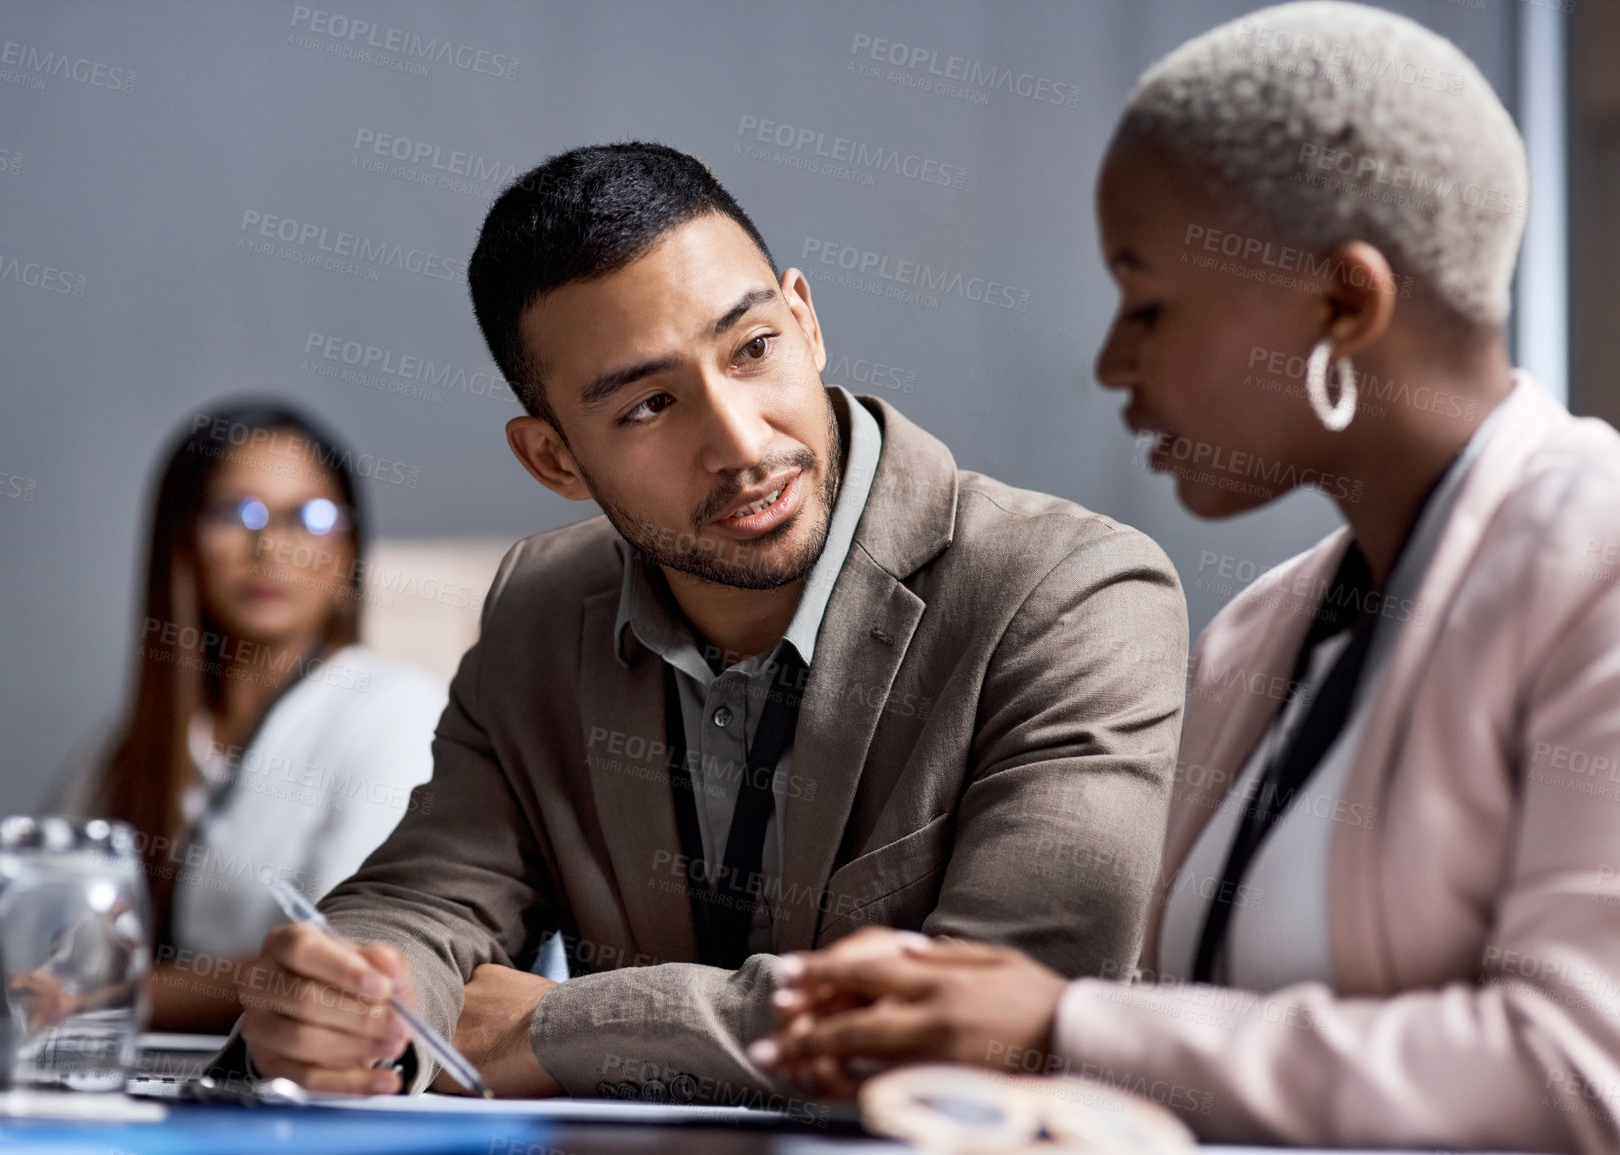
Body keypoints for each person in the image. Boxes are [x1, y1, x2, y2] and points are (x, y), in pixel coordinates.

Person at [752, 3, 1620, 1150]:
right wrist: (948, 1032)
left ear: (1344, 303)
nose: (1113, 363)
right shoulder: (1262, 631)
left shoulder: (1596, 556)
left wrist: (1064, 1027)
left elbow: (1579, 1074)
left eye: (1147, 302)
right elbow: (1210, 1061)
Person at [224, 142, 1190, 1105]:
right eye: (649, 405)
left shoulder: (1071, 592)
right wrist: (354, 1002)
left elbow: (1006, 1025)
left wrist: (554, 1025)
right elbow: (425, 896)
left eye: (752, 349)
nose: (740, 442)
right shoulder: (541, 606)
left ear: (804, 320)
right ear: (553, 459)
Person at [28, 402, 445, 1031]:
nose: (271, 545)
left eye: (311, 517)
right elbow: (43, 939)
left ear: (349, 549)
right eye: (234, 513)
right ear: (181, 543)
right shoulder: (123, 753)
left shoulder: (398, 710)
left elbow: (342, 959)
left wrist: (85, 997)